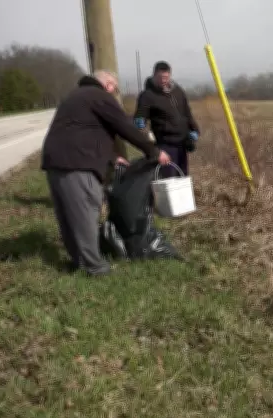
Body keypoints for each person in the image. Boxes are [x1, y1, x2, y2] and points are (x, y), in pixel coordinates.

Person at [41, 70, 171, 276]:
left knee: (68, 215)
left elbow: (84, 131)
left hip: (55, 161)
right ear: (108, 85)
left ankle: (78, 262)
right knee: (85, 213)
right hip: (78, 163)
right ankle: (95, 267)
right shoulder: (98, 96)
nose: (114, 92)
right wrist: (153, 151)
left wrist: (112, 157)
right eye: (115, 88)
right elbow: (124, 126)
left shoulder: (76, 96)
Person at [133, 61, 200, 179]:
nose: (164, 80)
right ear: (154, 75)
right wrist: (151, 143)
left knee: (183, 178)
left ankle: (183, 198)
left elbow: (187, 113)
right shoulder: (147, 96)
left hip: (182, 143)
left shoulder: (178, 91)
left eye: (166, 77)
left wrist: (194, 130)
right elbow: (139, 121)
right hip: (165, 145)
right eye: (160, 77)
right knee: (169, 180)